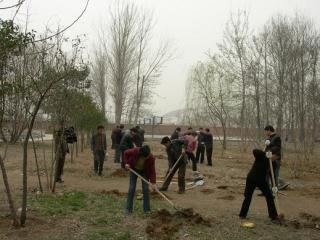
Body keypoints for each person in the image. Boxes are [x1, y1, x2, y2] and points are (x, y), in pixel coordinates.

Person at [239, 147, 280, 222]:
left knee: (270, 196)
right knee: (248, 196)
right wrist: (266, 154)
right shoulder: (261, 156)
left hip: (261, 181)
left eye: (277, 157)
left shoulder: (273, 164)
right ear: (271, 154)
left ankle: (273, 216)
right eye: (275, 156)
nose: (275, 158)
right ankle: (242, 215)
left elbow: (272, 176)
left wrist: (274, 186)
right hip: (251, 178)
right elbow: (254, 151)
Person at [124, 145, 156, 214]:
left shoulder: (151, 158)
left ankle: (147, 210)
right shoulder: (136, 151)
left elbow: (152, 171)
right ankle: (128, 209)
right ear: (141, 154)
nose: (145, 158)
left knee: (145, 189)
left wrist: (153, 183)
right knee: (132, 188)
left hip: (144, 171)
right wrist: (127, 163)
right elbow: (126, 153)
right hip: (134, 169)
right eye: (144, 157)